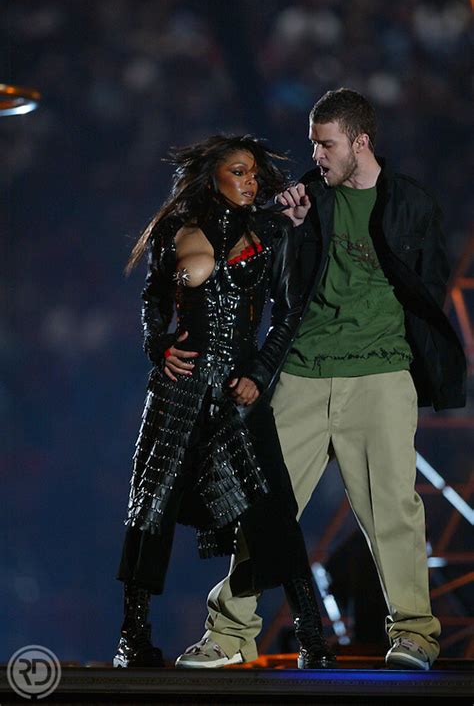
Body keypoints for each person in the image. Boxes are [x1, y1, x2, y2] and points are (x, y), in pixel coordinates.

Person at [176, 90, 466, 671]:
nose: (317, 152)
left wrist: (414, 364)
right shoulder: (304, 198)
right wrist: (289, 230)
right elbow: (272, 284)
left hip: (379, 375)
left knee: (393, 509)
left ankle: (414, 633)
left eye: (327, 143)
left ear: (361, 142)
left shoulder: (411, 202)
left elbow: (428, 291)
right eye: (314, 141)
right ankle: (231, 634)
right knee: (264, 508)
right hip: (303, 373)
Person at [114, 134, 336, 669]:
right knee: (151, 504)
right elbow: (153, 299)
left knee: (272, 504)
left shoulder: (268, 229)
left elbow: (290, 311)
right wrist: (157, 344)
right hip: (179, 389)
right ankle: (132, 637)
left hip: (238, 387)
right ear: (212, 175)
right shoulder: (174, 229)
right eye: (239, 172)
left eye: (254, 173)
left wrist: (260, 372)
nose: (250, 181)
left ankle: (311, 635)